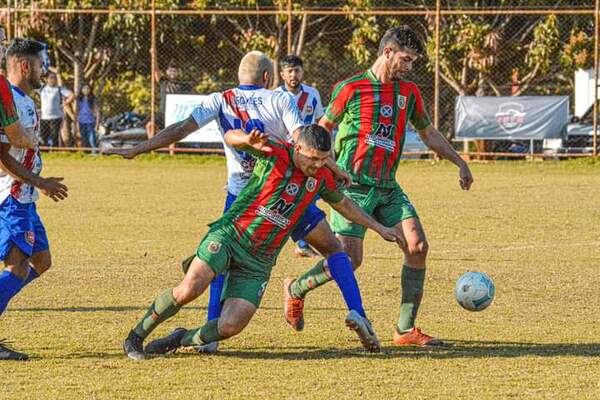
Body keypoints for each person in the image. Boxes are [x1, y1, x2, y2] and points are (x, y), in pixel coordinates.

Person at [108, 51, 384, 354]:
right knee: (333, 249)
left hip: (243, 192)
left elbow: (181, 129)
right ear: (268, 78)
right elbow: (300, 141)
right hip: (289, 193)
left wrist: (141, 148)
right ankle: (355, 309)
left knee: (216, 275)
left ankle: (210, 333)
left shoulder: (220, 99)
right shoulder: (279, 99)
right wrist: (334, 168)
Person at [122, 125, 402, 360]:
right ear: (297, 149)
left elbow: (344, 205)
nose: (316, 166)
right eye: (312, 159)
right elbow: (230, 136)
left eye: (323, 160)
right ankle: (136, 336)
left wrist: (378, 227)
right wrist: (245, 140)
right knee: (189, 290)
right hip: (230, 236)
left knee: (230, 326)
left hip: (259, 261)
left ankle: (181, 339)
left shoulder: (321, 178)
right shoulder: (275, 153)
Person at [284, 26, 474, 347]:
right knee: (349, 259)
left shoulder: (408, 93)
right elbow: (321, 130)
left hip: (388, 187)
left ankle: (404, 330)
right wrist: (323, 165)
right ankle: (297, 288)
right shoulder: (351, 88)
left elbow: (428, 133)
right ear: (387, 53)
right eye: (405, 59)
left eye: (413, 61)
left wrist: (460, 161)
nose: (409, 66)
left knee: (417, 247)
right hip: (352, 187)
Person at [0, 38, 69, 361]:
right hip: (10, 198)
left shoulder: (22, 99)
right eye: (42, 63)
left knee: (42, 261)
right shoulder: (8, 101)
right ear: (25, 66)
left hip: (25, 198)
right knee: (16, 269)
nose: (46, 70)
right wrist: (39, 181)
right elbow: (1, 158)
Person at [275, 54, 325, 258]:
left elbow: (321, 120)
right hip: (286, 153)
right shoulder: (275, 96)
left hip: (309, 154)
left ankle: (303, 241)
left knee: (311, 193)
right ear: (282, 74)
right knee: (286, 196)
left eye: (297, 70)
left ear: (303, 72)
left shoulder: (312, 94)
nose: (294, 75)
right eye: (289, 71)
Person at [146, 62, 193, 138]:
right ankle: (151, 145)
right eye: (170, 71)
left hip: (175, 114)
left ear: (178, 72)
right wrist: (154, 55)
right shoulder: (163, 81)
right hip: (162, 113)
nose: (172, 73)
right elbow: (155, 71)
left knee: (172, 131)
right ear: (167, 72)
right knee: (150, 125)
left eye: (174, 71)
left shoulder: (183, 85)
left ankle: (172, 149)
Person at [39, 71, 75, 147]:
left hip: (56, 117)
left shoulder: (59, 89)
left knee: (54, 136)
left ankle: (55, 151)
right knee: (43, 136)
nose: (53, 80)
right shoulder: (42, 88)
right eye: (51, 78)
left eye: (54, 78)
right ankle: (45, 151)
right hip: (44, 117)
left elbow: (71, 95)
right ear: (47, 79)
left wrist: (64, 104)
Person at [76, 83, 100, 151]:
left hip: (90, 122)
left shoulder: (92, 99)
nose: (86, 90)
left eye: (87, 88)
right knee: (84, 138)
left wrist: (97, 124)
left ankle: (95, 151)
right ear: (81, 90)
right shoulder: (79, 100)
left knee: (92, 138)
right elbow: (77, 112)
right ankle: (85, 152)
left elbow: (97, 112)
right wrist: (77, 123)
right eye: (84, 88)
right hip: (81, 121)